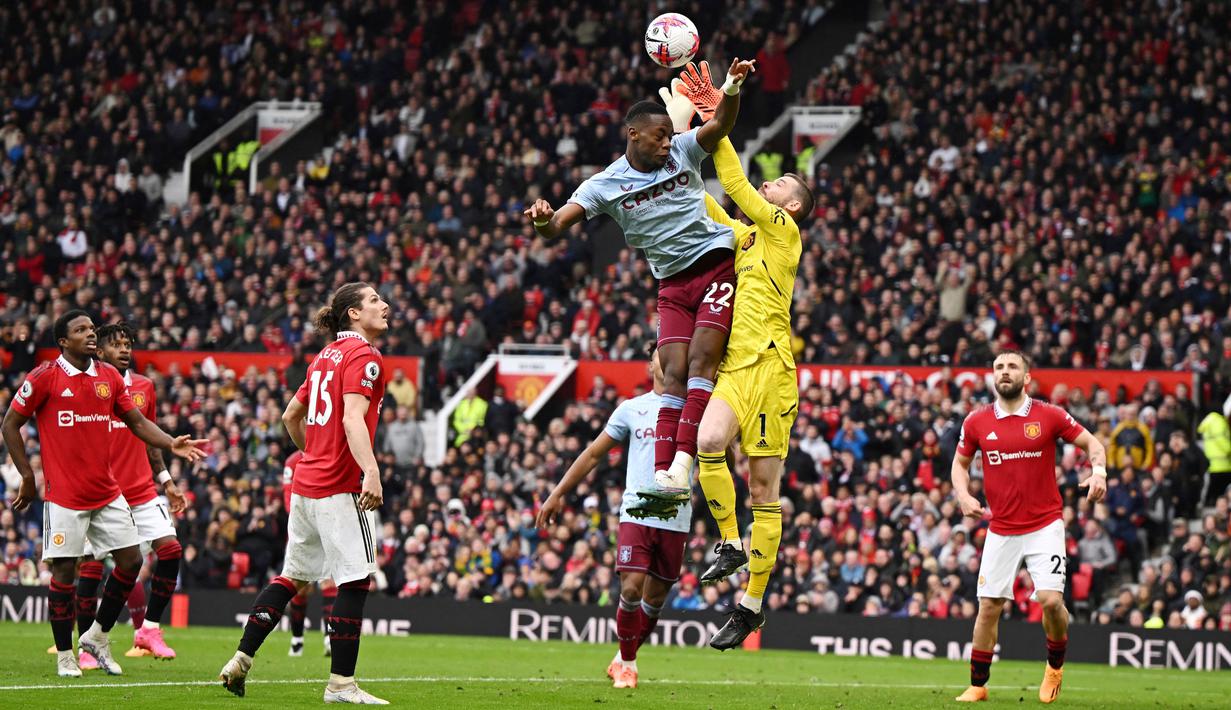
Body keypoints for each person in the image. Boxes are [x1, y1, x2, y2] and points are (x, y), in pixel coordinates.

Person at [524, 58, 756, 498]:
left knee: (700, 363)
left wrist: (731, 88)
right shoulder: (605, 185)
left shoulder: (684, 151)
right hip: (670, 284)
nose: (669, 143)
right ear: (633, 134)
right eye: (660, 136)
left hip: (714, 266)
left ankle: (682, 467)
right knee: (670, 375)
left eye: (671, 134)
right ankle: (662, 477)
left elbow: (719, 126)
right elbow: (556, 226)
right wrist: (542, 221)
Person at [663, 60, 814, 650]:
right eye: (773, 185)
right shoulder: (745, 234)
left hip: (773, 371)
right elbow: (707, 203)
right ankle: (728, 541)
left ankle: (752, 601)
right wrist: (683, 148)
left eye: (781, 186)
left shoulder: (782, 230)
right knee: (704, 444)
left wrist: (718, 111)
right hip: (736, 367)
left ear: (792, 207)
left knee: (764, 492)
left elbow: (737, 187)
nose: (770, 187)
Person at [1, 310, 205, 678]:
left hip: (108, 493)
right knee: (65, 573)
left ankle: (96, 635)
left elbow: (138, 422)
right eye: (81, 331)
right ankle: (66, 655)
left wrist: (171, 442)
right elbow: (10, 424)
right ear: (63, 341)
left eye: (92, 329)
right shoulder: (45, 376)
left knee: (130, 561)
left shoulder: (109, 377)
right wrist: (27, 476)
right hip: (64, 497)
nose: (91, 335)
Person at [219, 283, 390, 704]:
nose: (384, 305)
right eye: (373, 300)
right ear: (352, 313)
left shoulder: (322, 359)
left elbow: (289, 415)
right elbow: (352, 419)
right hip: (339, 487)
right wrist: (371, 471)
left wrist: (314, 454)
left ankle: (241, 658)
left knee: (291, 577)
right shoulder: (364, 356)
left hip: (306, 485)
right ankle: (341, 684)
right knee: (355, 580)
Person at [951, 350, 1108, 704]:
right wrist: (962, 494)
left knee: (1051, 602)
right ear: (993, 376)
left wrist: (1098, 472)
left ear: (1027, 378)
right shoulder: (976, 422)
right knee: (989, 606)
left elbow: (1093, 444)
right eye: (999, 367)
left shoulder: (1048, 415)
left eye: (1012, 367)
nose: (1005, 372)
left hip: (1044, 525)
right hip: (1001, 528)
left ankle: (1054, 668)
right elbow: (958, 466)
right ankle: (978, 684)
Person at [536, 350, 688, 690]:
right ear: (651, 365)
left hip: (676, 515)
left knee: (655, 600)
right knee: (631, 587)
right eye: (661, 353)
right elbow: (592, 455)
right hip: (636, 511)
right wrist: (557, 492)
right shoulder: (632, 410)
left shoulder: (692, 410)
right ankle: (630, 667)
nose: (668, 358)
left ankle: (621, 659)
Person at [76, 322, 189, 661]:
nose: (125, 350)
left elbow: (149, 440)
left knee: (170, 551)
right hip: (101, 493)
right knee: (90, 565)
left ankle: (149, 628)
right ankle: (87, 644)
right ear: (100, 352)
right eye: (116, 344)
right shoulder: (87, 387)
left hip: (141, 489)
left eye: (128, 344)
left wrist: (167, 483)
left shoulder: (144, 387)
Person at [281, 449, 337, 658]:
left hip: (328, 527)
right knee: (300, 587)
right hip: (302, 530)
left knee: (329, 583)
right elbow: (289, 499)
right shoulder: (292, 461)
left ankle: (328, 639)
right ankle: (297, 640)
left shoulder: (329, 453)